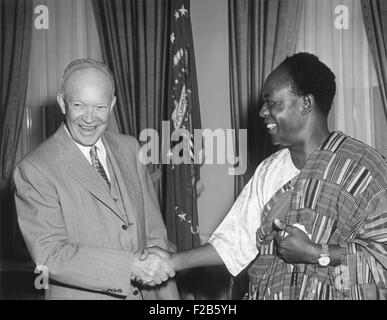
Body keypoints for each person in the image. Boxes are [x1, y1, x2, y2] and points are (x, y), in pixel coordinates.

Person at [137, 52, 387, 300]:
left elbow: (383, 255)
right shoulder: (269, 171)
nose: (261, 112)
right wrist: (173, 261)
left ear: (306, 104)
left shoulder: (365, 168)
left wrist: (315, 252)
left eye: (272, 102)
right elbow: (234, 241)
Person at [13, 58, 179, 300]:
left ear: (112, 105)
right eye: (79, 105)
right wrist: (129, 267)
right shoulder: (34, 169)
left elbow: (155, 237)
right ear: (62, 103)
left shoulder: (130, 149)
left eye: (99, 107)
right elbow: (50, 256)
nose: (89, 119)